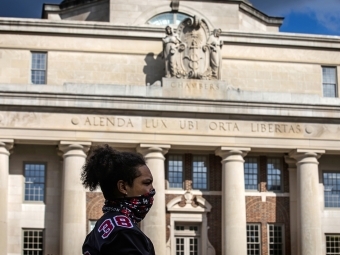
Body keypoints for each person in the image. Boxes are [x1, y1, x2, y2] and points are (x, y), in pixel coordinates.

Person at [81, 144, 156, 255]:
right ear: (123, 187)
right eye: (146, 183)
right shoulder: (125, 233)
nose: (152, 189)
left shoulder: (99, 230)